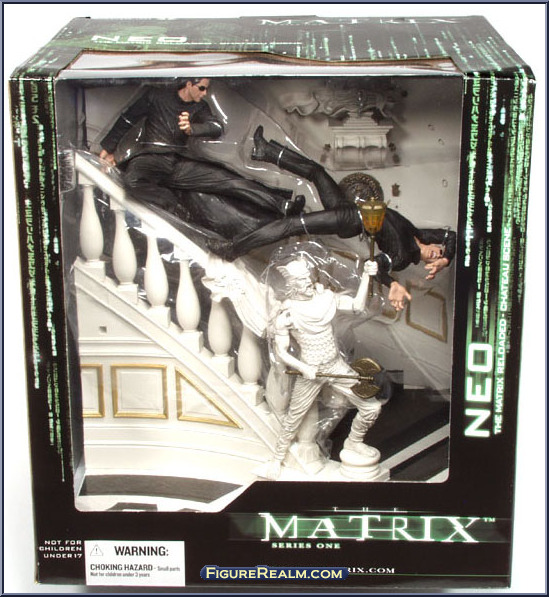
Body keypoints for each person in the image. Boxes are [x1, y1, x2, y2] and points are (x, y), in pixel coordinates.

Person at [212, 125, 456, 311]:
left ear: (426, 264)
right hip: (349, 208)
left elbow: (378, 267)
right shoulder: (421, 235)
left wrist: (391, 283)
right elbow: (453, 236)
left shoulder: (403, 256)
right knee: (317, 172)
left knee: (291, 225)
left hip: (349, 220)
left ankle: (233, 248)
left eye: (434, 259)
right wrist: (447, 260)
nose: (436, 254)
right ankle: (265, 151)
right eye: (439, 252)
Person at [98, 78, 305, 218]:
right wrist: (109, 147)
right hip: (150, 157)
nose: (205, 93)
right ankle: (176, 207)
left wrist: (192, 129)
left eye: (206, 89)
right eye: (202, 88)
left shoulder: (199, 107)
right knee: (132, 181)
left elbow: (216, 127)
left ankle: (282, 204)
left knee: (231, 181)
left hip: (178, 163)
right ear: (189, 84)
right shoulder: (157, 96)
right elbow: (128, 119)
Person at [265, 256, 383, 480]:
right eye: (301, 280)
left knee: (372, 407)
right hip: (311, 371)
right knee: (294, 418)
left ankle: (354, 441)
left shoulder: (326, 298)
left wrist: (367, 276)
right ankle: (276, 459)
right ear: (292, 285)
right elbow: (281, 352)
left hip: (336, 365)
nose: (308, 282)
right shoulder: (287, 315)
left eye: (308, 277)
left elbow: (357, 306)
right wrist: (303, 367)